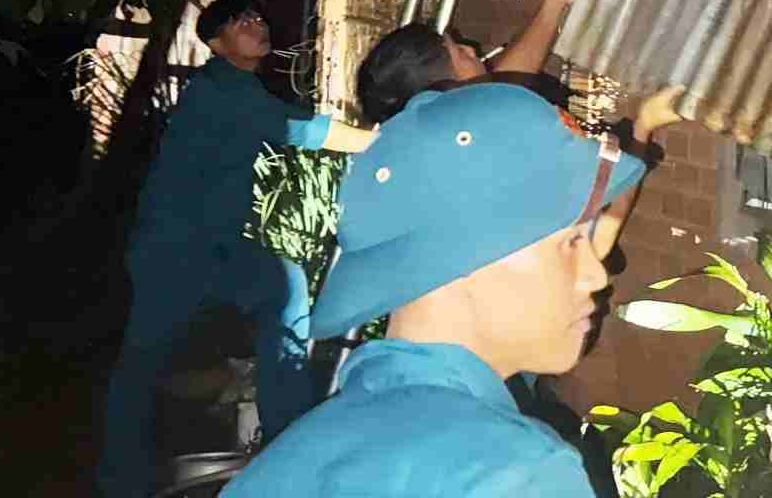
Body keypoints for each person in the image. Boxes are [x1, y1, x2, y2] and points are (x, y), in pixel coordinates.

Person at [223, 84, 657, 497]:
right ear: (462, 258)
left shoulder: (284, 461)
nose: (596, 276)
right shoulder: (515, 471)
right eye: (570, 243)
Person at [100, 0, 379, 498]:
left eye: (257, 17)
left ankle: (283, 436)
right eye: (242, 22)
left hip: (216, 247)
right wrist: (380, 141)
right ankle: (121, 478)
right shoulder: (220, 89)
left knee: (285, 288)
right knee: (144, 361)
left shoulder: (234, 89)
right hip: (175, 251)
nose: (258, 24)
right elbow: (300, 129)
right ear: (215, 41)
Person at [356, 0, 601, 123]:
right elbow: (609, 190)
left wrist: (557, 0)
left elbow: (505, 82)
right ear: (449, 90)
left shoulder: (458, 116)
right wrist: (640, 132)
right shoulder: (495, 148)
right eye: (461, 54)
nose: (471, 49)